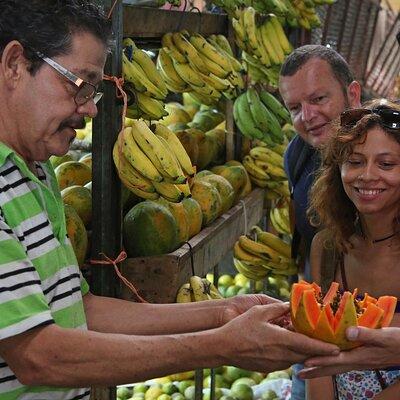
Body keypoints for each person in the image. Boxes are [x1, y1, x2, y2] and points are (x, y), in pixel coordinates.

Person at [0, 1, 341, 399]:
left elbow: (81, 311)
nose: (91, 107)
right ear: (14, 65)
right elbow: (38, 355)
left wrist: (224, 313)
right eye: (80, 84)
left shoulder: (34, 173)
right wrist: (223, 345)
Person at [278, 44, 362, 400]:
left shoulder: (392, 148)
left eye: (318, 99)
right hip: (318, 330)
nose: (307, 116)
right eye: (295, 108)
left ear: (353, 94)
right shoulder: (297, 156)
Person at [304, 99, 400, 399]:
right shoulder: (328, 247)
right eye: (355, 162)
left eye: (386, 164)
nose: (367, 175)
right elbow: (317, 353)